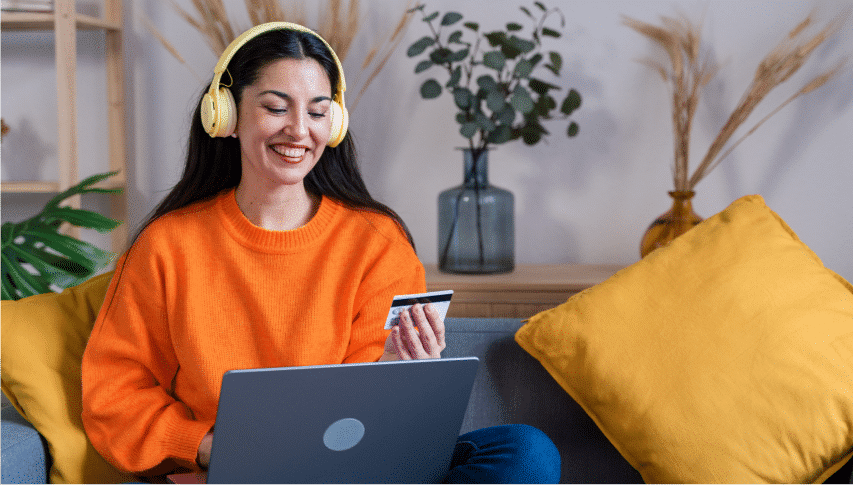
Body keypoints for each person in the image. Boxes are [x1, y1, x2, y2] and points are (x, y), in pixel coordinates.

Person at [81, 22, 560, 484]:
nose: (298, 130)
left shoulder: (377, 240)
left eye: (316, 111)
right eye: (275, 107)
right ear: (225, 114)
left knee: (526, 453)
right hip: (236, 472)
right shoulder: (167, 245)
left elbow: (375, 421)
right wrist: (208, 444)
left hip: (363, 470)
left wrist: (402, 371)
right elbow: (114, 393)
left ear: (334, 124)